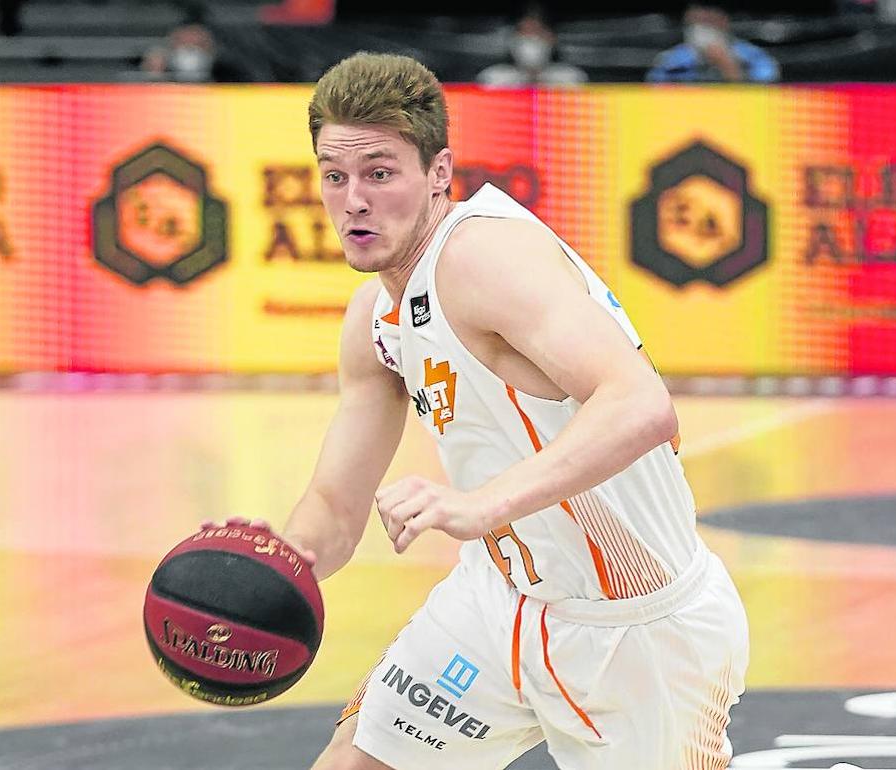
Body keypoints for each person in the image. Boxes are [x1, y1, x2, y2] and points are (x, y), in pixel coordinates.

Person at [224, 51, 749, 770]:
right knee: (353, 761)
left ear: (438, 174)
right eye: (334, 175)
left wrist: (481, 506)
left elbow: (639, 405)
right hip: (497, 600)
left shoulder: (482, 259)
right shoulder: (373, 319)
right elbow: (337, 508)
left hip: (637, 629)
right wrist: (272, 568)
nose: (353, 200)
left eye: (380, 173)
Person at [646, 3, 779, 84]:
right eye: (696, 21)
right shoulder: (672, 59)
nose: (701, 28)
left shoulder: (754, 56)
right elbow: (653, 88)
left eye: (708, 21)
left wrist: (728, 66)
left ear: (724, 21)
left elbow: (766, 91)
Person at [476, 7, 588, 88]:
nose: (530, 38)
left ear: (552, 38)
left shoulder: (573, 78)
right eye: (524, 32)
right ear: (512, 39)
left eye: (537, 32)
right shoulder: (492, 78)